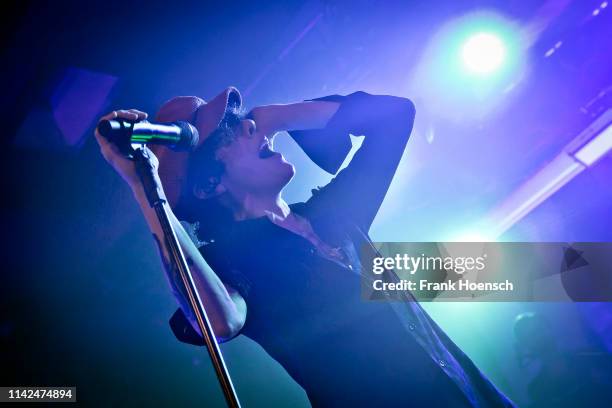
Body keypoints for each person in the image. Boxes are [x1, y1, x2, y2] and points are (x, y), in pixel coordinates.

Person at [95, 87, 515, 407]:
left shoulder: (334, 215)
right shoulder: (234, 265)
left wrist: (272, 117)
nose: (249, 127)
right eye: (230, 131)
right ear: (211, 183)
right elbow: (219, 322)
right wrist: (142, 186)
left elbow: (394, 116)